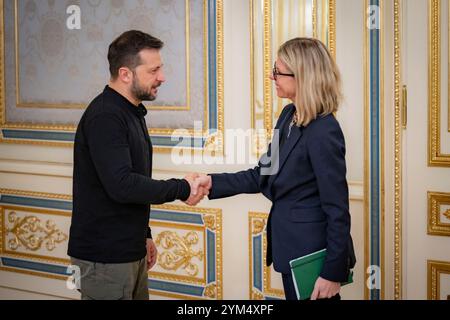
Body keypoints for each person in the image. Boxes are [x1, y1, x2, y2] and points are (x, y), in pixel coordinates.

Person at [192, 38, 356, 300]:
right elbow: (262, 173)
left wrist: (332, 273)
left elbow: (337, 208)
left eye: (278, 71)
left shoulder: (324, 130)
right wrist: (211, 181)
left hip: (313, 258)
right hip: (290, 250)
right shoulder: (289, 115)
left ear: (302, 76)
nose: (272, 76)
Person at [68, 30, 207, 300]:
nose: (162, 77)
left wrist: (144, 234)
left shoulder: (131, 111)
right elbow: (122, 185)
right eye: (153, 70)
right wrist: (182, 188)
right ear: (125, 74)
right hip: (105, 257)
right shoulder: (106, 115)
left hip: (129, 249)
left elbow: (132, 179)